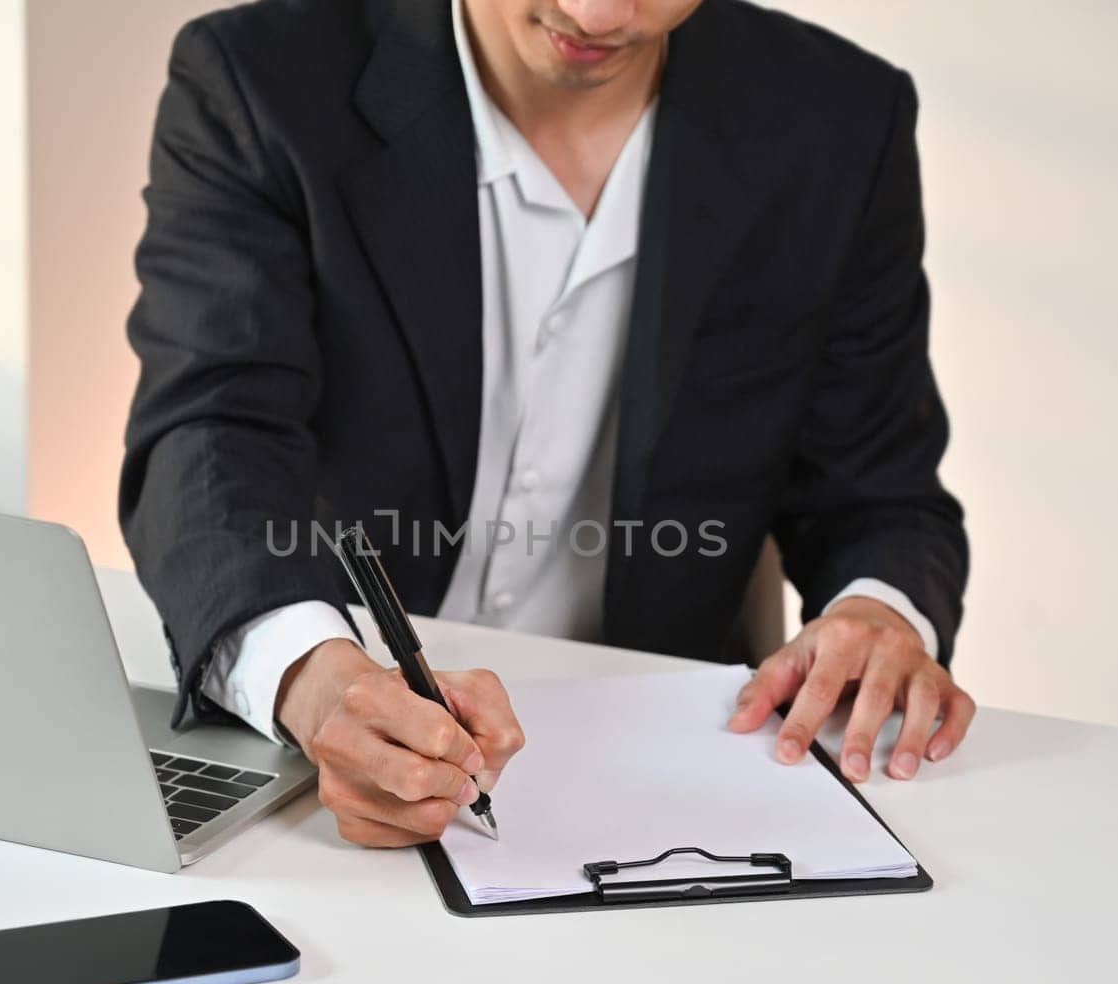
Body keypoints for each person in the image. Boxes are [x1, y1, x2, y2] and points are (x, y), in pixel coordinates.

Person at [122, 0, 974, 847]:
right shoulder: (256, 79)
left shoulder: (838, 120)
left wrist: (881, 614)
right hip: (327, 748)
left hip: (669, 774)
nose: (597, 13)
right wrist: (312, 679)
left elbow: (882, 492)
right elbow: (207, 436)